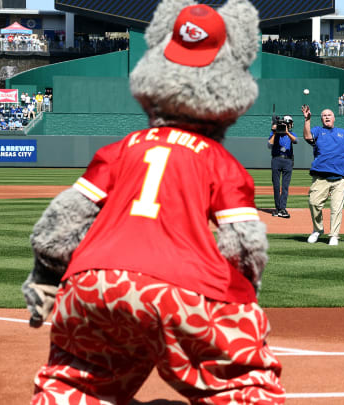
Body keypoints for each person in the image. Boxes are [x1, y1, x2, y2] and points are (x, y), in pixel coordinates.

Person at [20, 1, 285, 403]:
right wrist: (243, 301)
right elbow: (244, 247)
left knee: (76, 381)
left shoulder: (120, 149)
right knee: (245, 385)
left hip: (92, 282)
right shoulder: (221, 162)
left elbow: (62, 223)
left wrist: (44, 280)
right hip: (182, 287)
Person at [301, 105, 344, 246]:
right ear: (321, 119)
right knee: (313, 203)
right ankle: (317, 230)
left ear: (334, 118)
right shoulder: (318, 131)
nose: (326, 117)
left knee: (336, 208)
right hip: (321, 176)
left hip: (340, 177)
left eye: (329, 115)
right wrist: (307, 120)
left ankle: (334, 235)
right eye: (324, 115)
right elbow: (307, 136)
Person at [268, 115, 297, 218]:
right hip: (276, 159)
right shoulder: (274, 134)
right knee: (276, 186)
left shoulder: (291, 134)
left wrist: (287, 132)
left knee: (285, 186)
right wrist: (276, 132)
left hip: (287, 160)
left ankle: (282, 208)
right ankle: (278, 208)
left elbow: (295, 141)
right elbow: (269, 145)